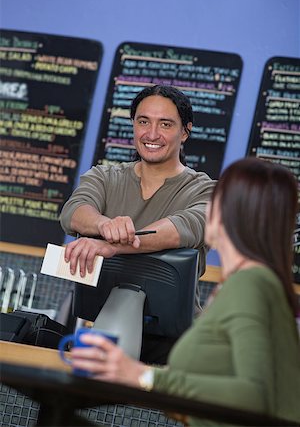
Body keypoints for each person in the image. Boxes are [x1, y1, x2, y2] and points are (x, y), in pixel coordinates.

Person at [69, 157, 300, 426]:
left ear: (231, 212)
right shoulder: (247, 284)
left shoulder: (251, 285)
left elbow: (254, 396)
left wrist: (140, 375)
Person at [60, 84, 216, 363]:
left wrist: (112, 247)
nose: (152, 134)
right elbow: (73, 211)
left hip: (179, 346)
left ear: (185, 131)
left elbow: (184, 227)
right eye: (143, 121)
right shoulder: (105, 176)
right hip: (106, 333)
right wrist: (105, 225)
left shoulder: (205, 190)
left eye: (165, 124)